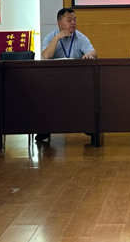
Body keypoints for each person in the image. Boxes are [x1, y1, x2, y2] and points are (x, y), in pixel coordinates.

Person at [36, 8, 98, 144]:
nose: (73, 23)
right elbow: (46, 56)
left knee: (87, 95)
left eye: (74, 19)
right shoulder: (51, 37)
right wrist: (57, 38)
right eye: (69, 20)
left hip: (76, 80)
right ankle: (46, 127)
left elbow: (93, 52)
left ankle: (89, 127)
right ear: (59, 23)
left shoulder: (80, 37)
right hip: (54, 81)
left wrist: (89, 54)